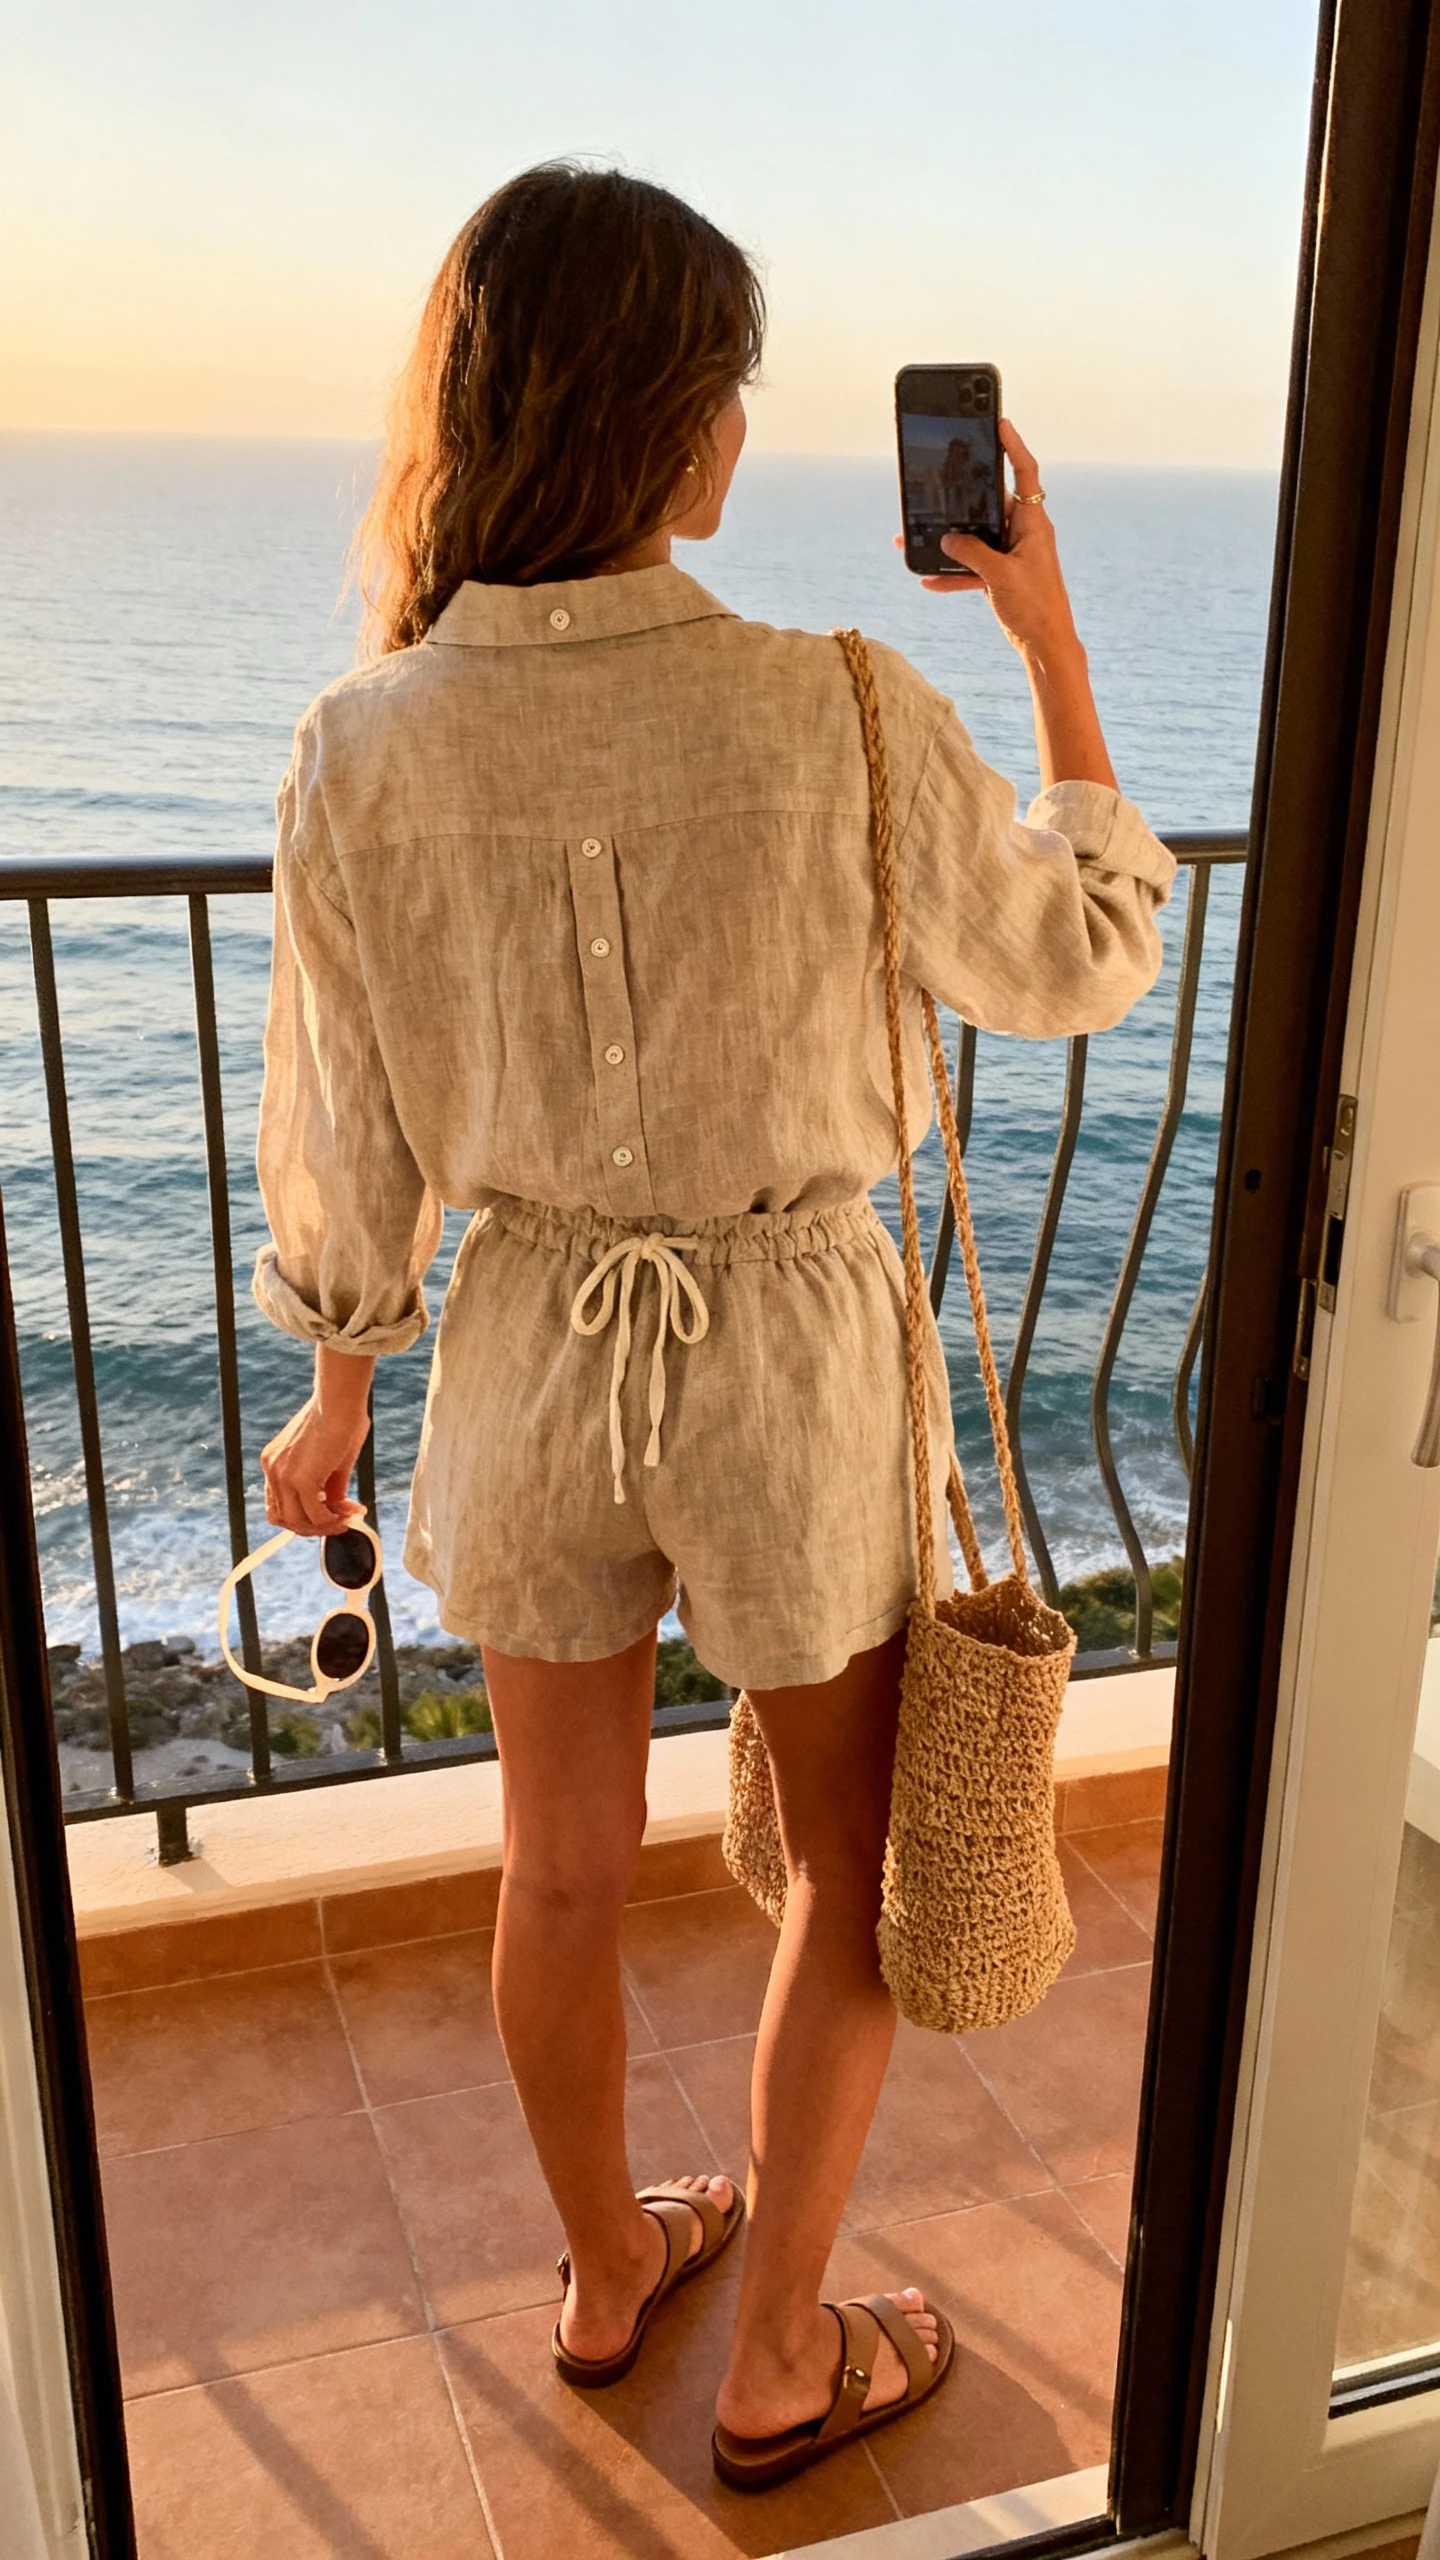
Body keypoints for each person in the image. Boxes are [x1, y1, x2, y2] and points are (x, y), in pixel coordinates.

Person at [253, 161, 1174, 2488]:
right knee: (852, 1873)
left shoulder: (361, 743)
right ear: (677, 421)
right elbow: (1082, 953)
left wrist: (342, 1382)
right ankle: (776, 2352)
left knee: (555, 1867)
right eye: (733, 387)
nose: (746, 428)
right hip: (784, 1354)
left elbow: (352, 1132)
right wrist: (1048, 634)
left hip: (532, 1348)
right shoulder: (837, 704)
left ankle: (600, 2273)